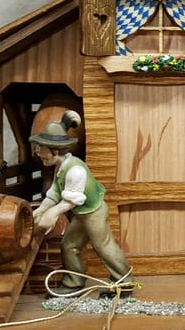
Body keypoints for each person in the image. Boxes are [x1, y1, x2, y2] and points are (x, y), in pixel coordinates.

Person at [31, 110, 135, 296]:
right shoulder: (60, 166)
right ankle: (73, 283)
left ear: (54, 150)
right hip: (81, 214)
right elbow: (55, 193)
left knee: (103, 246)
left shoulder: (75, 171)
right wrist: (40, 211)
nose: (38, 153)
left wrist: (52, 214)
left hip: (93, 212)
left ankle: (124, 282)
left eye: (41, 149)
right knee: (69, 245)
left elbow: (71, 201)